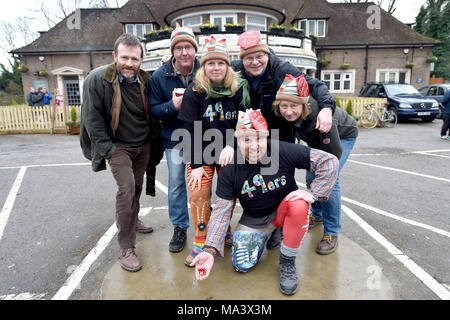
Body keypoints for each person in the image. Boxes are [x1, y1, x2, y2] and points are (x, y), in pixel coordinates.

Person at [190, 109, 339, 295]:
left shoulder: (280, 149)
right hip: (255, 218)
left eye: (259, 138)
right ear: (236, 140)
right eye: (246, 140)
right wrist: (210, 249)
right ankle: (273, 232)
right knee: (240, 265)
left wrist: (314, 194)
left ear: (266, 137)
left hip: (285, 211)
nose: (253, 146)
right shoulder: (229, 169)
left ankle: (287, 261)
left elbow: (329, 161)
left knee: (299, 204)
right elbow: (221, 212)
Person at [231, 30, 337, 248]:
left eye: (259, 56)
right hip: (265, 134)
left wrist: (327, 108)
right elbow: (213, 66)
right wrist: (174, 62)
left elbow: (315, 84)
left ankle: (331, 232)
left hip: (302, 133)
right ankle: (282, 222)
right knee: (270, 181)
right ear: (242, 59)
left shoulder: (282, 69)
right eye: (248, 58)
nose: (254, 62)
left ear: (267, 54)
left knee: (327, 178)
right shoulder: (238, 70)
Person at [80, 33, 156, 273]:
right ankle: (127, 247)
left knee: (136, 188)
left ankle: (132, 221)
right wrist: (107, 150)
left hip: (142, 145)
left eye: (134, 59)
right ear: (115, 56)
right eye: (124, 57)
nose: (129, 63)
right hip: (118, 147)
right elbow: (91, 119)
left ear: (142, 59)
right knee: (125, 190)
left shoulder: (146, 80)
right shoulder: (97, 79)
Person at [178, 36, 251, 266]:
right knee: (198, 192)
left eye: (221, 63)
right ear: (204, 66)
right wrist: (196, 165)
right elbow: (188, 130)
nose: (216, 67)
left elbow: (246, 122)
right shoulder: (195, 90)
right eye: (211, 63)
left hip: (229, 150)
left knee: (228, 194)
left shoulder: (239, 88)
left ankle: (223, 232)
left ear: (227, 65)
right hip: (201, 150)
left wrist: (232, 145)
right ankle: (201, 239)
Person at [273, 74, 358, 254]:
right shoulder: (283, 115)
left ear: (303, 106)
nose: (288, 111)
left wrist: (320, 180)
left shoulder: (318, 119)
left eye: (294, 106)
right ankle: (317, 216)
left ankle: (331, 233)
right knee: (311, 177)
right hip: (315, 139)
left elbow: (332, 161)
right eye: (284, 106)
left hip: (342, 135)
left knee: (329, 181)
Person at [149, 24, 199, 253]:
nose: (184, 52)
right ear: (173, 51)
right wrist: (172, 106)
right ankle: (180, 227)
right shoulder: (160, 76)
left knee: (202, 185)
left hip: (202, 138)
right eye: (179, 48)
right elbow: (153, 109)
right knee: (177, 184)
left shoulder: (206, 70)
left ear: (195, 49)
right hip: (175, 139)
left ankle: (204, 226)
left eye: (189, 47)